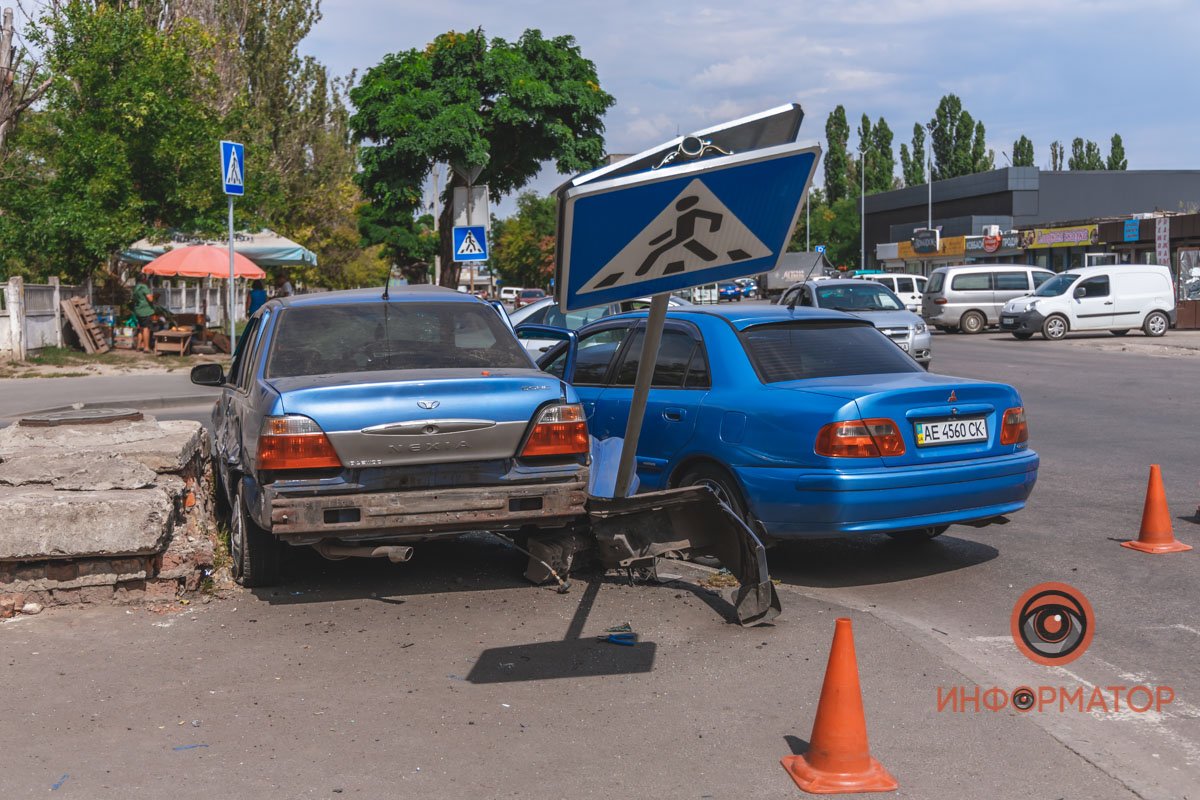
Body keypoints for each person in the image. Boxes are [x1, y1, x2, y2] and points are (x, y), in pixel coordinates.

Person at [131, 276, 156, 352]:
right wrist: (154, 297)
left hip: (138, 310)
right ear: (144, 279)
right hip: (145, 310)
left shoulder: (135, 288)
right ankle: (146, 347)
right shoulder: (144, 287)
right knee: (146, 328)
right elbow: (150, 299)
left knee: (141, 328)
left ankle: (138, 346)